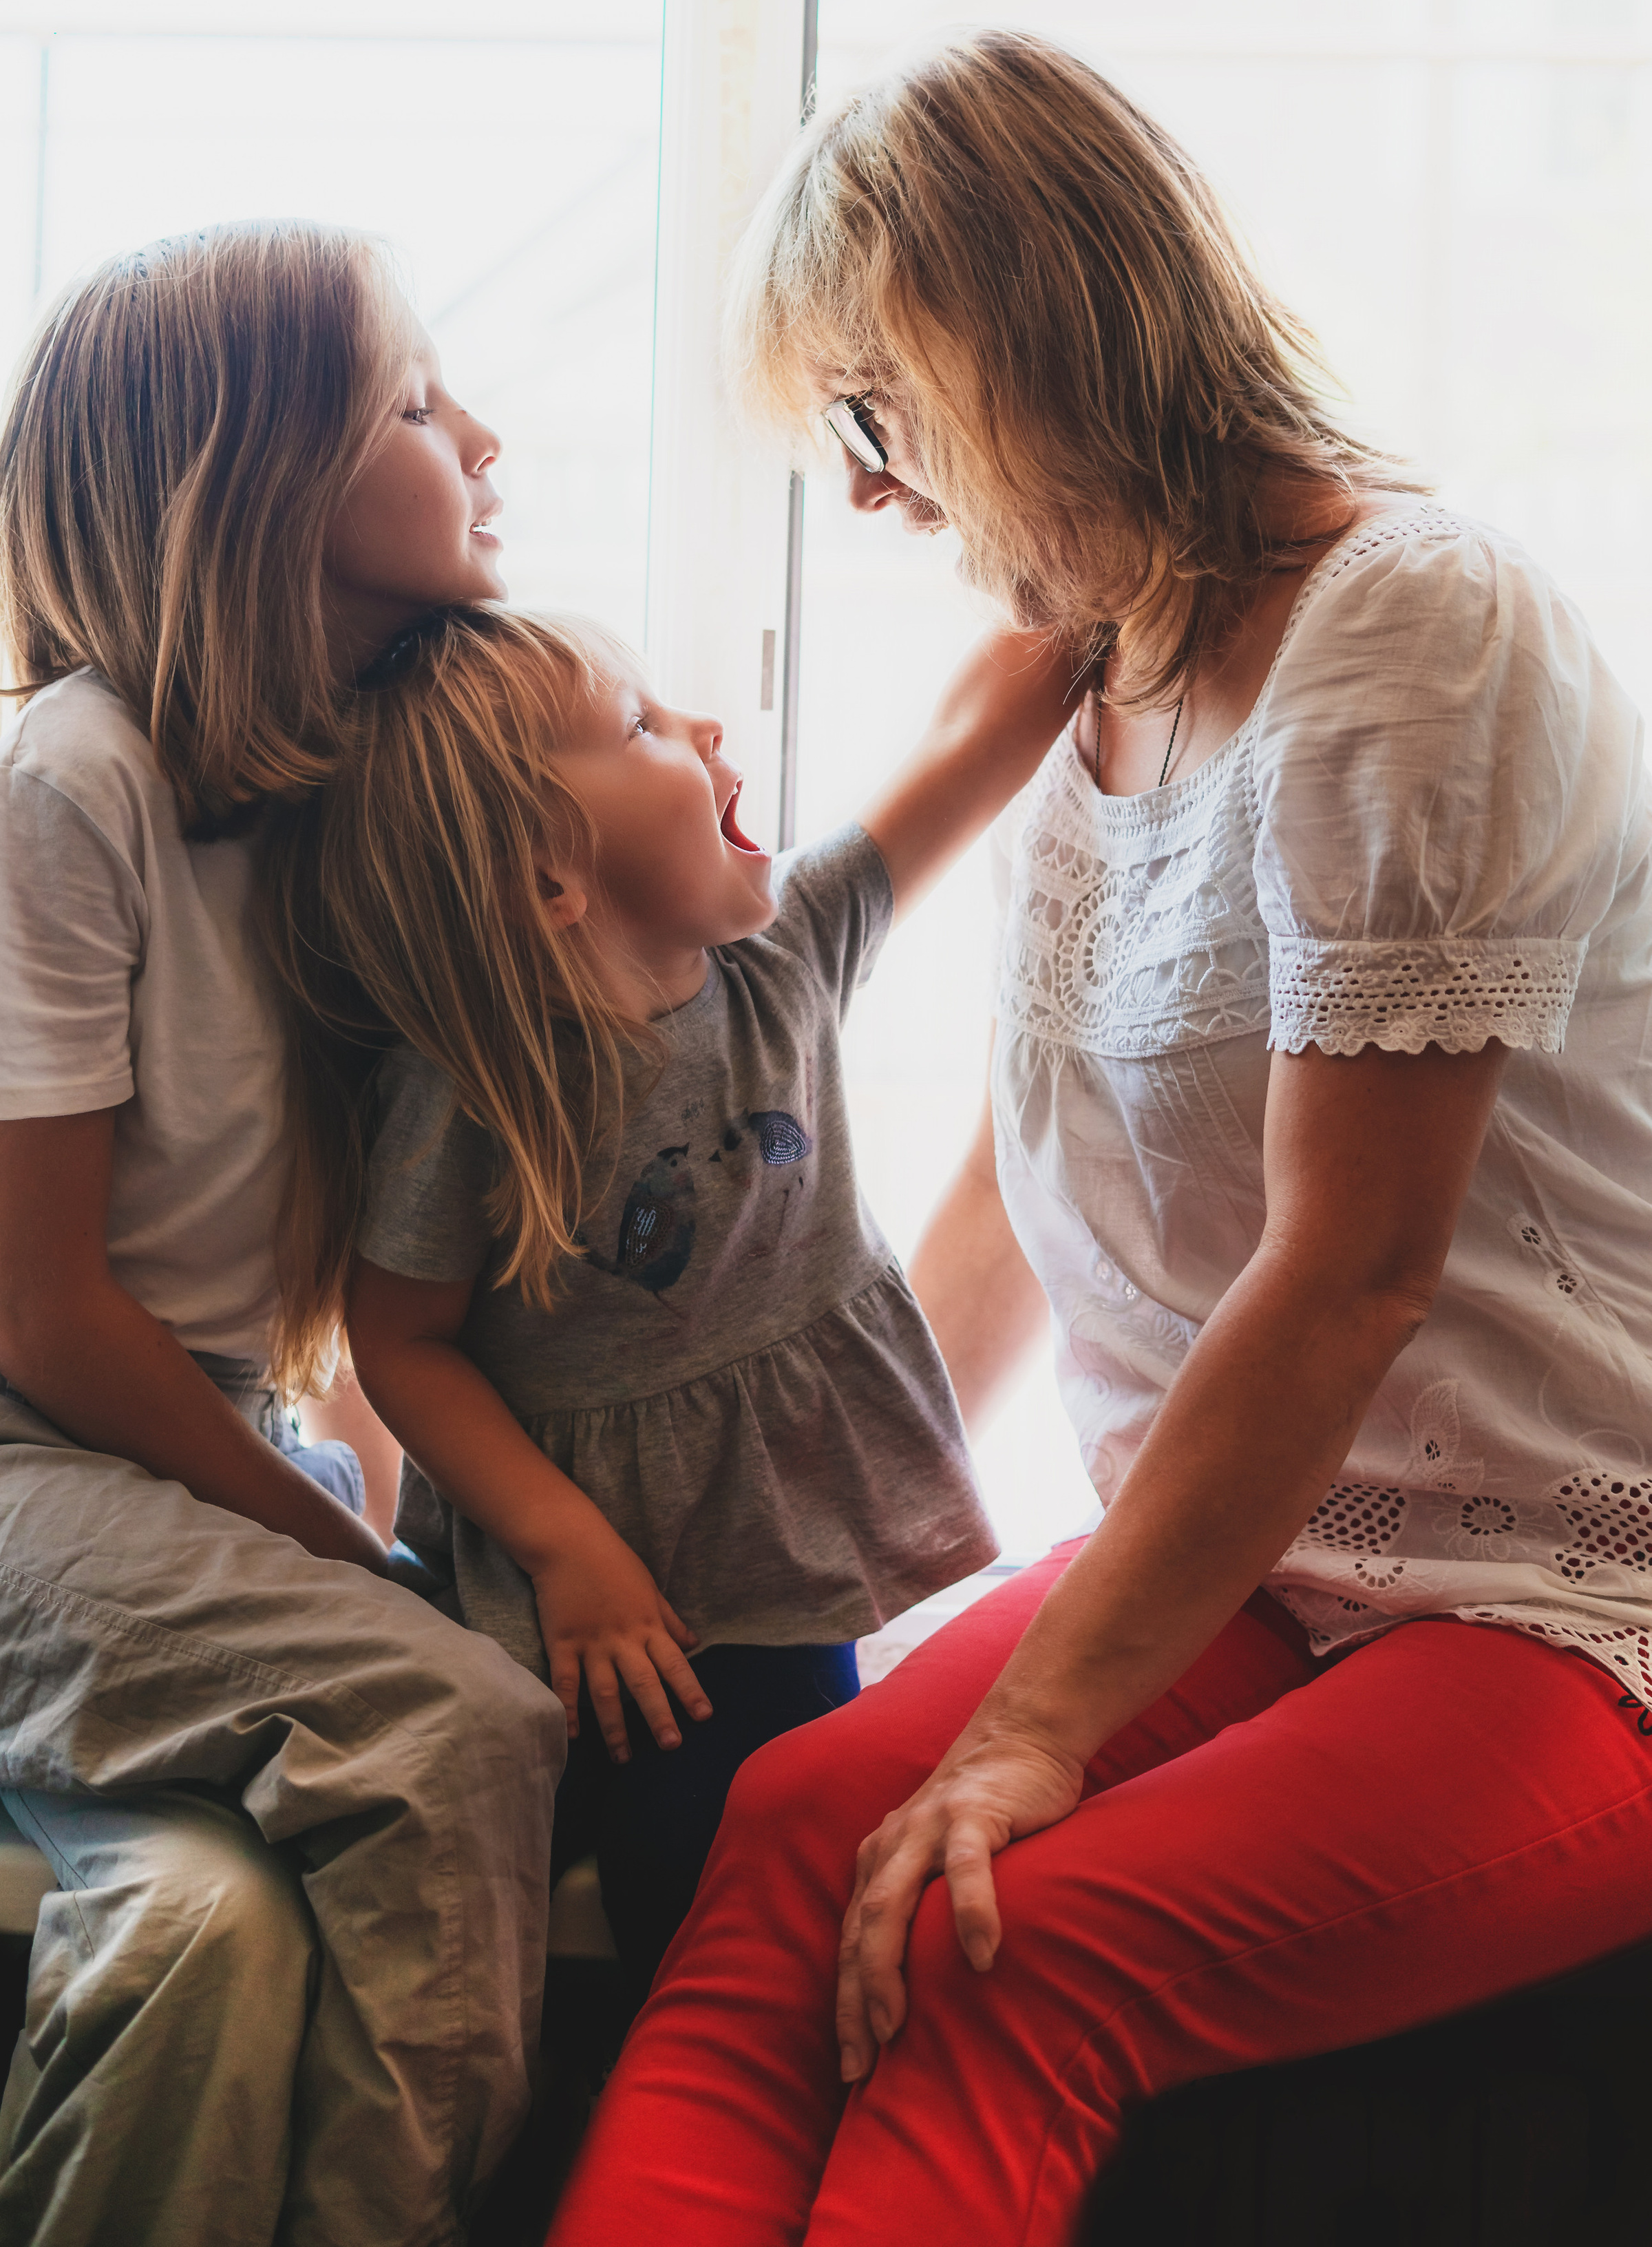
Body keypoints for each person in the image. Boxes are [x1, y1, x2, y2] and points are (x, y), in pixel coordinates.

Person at [544, 31, 1652, 2245]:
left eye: (872, 413)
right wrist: (820, 1544)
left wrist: (1038, 1729)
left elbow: (1351, 1273)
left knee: (1004, 1949)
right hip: (1258, 1561)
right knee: (789, 1841)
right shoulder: (1108, 671)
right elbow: (1028, 1188)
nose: (865, 491)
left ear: (1015, 344)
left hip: (1544, 1595)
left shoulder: (1420, 630)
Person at [0, 223, 567, 2247]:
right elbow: (41, 1309)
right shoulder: (70, 785)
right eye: (423, 404)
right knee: (459, 1721)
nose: (486, 435)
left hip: (149, 1456)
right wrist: (336, 1543)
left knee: (206, 1922)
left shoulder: (329, 793)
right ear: (260, 474)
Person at [259, 600, 1068, 2003]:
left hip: (778, 1570)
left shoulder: (789, 953)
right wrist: (566, 1548)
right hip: (576, 1621)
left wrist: (1085, 578)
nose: (700, 725)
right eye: (639, 726)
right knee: (491, 1949)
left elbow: (977, 735)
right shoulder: (466, 1091)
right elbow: (401, 1341)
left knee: (747, 1936)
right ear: (548, 882)